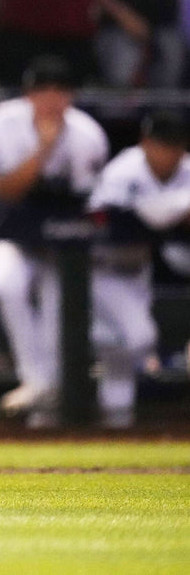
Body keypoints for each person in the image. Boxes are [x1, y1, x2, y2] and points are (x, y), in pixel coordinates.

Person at [0, 55, 109, 422]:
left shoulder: (88, 135)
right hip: (15, 236)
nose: (52, 99)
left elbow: (90, 206)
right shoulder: (5, 122)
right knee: (5, 284)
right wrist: (43, 150)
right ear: (28, 94)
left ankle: (52, 394)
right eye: (43, 90)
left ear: (72, 96)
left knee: (58, 313)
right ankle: (36, 380)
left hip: (65, 247)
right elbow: (4, 191)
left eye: (60, 90)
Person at [86, 111, 190, 427]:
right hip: (102, 269)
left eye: (175, 145)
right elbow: (111, 216)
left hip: (138, 270)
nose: (168, 152)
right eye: (162, 144)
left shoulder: (186, 170)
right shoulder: (124, 171)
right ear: (146, 143)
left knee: (117, 347)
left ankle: (116, 420)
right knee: (139, 336)